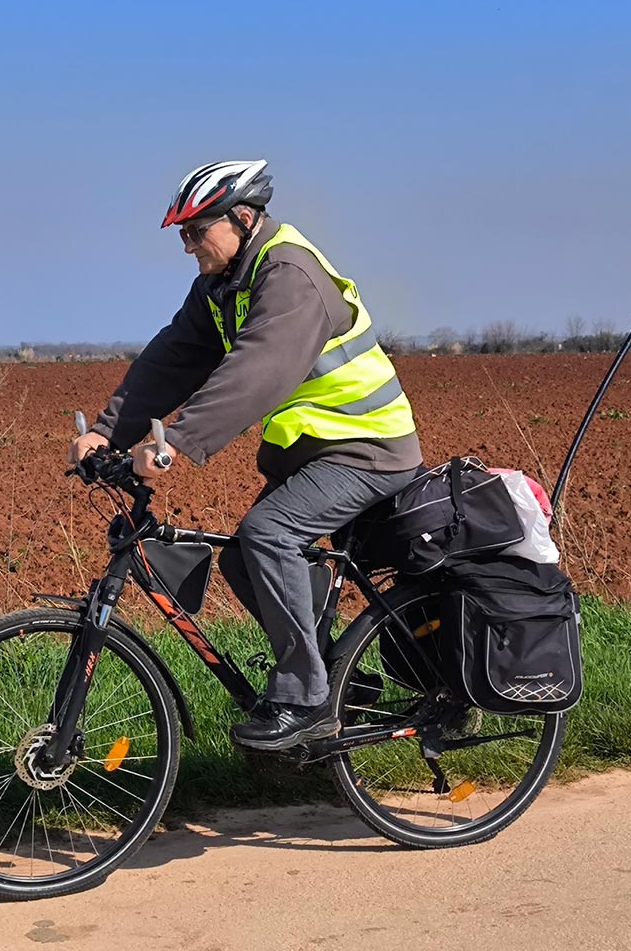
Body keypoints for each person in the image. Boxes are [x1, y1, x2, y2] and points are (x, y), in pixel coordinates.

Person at [70, 160, 423, 750]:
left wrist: (173, 442)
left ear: (241, 217)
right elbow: (174, 358)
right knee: (242, 557)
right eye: (181, 234)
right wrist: (107, 431)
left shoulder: (288, 275)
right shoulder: (223, 280)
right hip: (318, 451)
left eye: (195, 231)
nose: (188, 246)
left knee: (267, 535)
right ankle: (337, 680)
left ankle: (306, 699)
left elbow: (256, 373)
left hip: (368, 446)